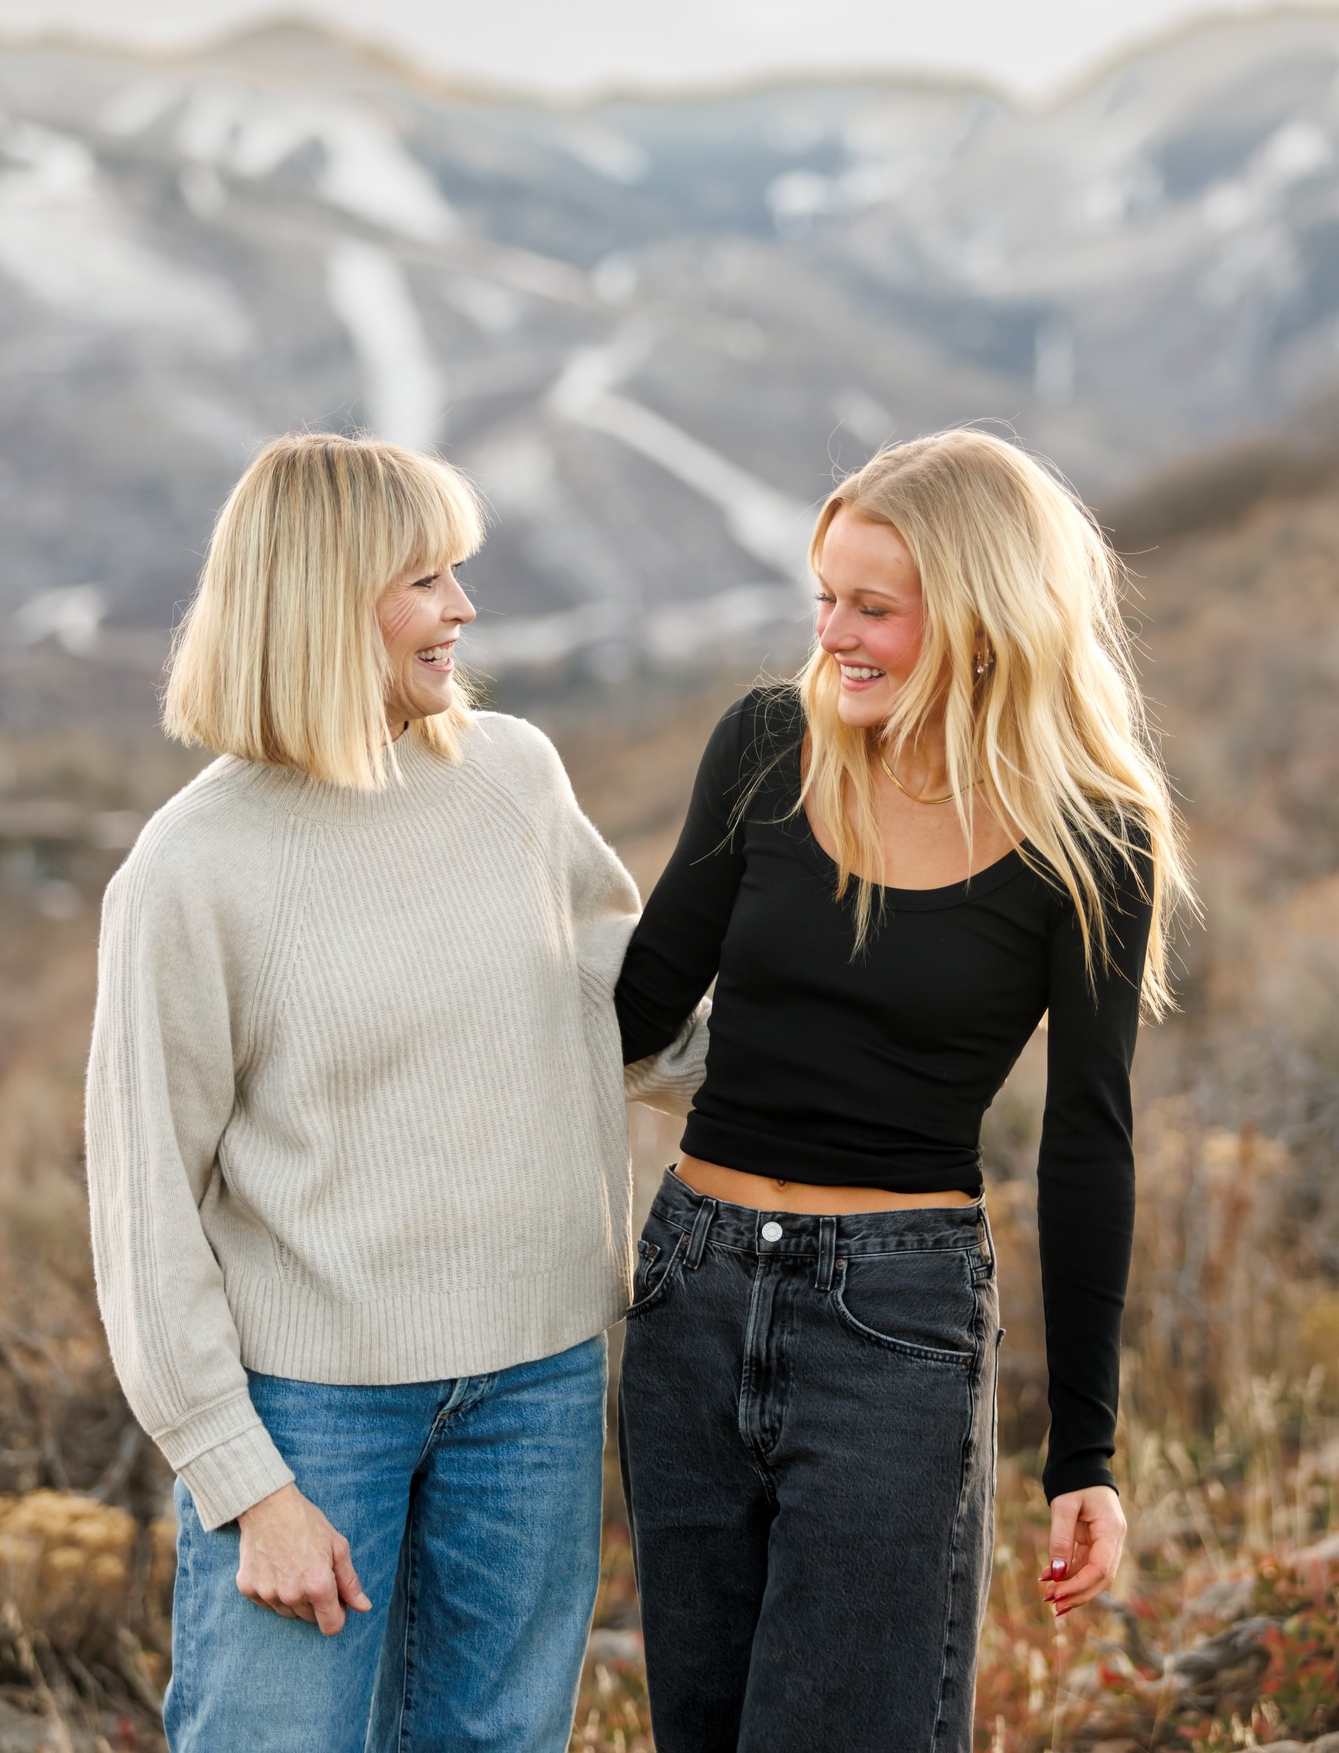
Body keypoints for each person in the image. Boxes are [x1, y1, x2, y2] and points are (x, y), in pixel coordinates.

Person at [85, 433, 704, 1753]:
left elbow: (631, 1016)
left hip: (538, 1380)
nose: (462, 612)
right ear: (321, 599)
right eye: (426, 580)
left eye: (458, 574)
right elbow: (146, 1206)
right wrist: (245, 1485)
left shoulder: (514, 777)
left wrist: (866, 1050)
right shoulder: (191, 872)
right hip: (314, 1414)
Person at [614, 429, 1191, 1753]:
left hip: (894, 1323)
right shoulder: (766, 744)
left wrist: (1085, 1455)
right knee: (699, 1729)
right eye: (824, 599)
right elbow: (636, 1011)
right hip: (689, 1295)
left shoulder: (1093, 836)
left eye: (874, 608)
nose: (834, 637)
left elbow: (1091, 1146)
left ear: (983, 620)